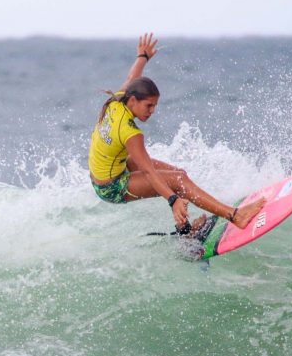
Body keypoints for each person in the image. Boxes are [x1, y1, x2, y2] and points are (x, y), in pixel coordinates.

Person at [88, 33, 265, 233]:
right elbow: (148, 171)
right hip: (111, 186)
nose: (152, 111)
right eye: (148, 105)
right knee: (177, 182)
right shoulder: (130, 132)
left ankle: (186, 231)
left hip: (107, 170)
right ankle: (235, 215)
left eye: (155, 106)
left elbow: (132, 78)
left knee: (179, 175)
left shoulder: (117, 100)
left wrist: (142, 57)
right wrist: (172, 200)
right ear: (133, 101)